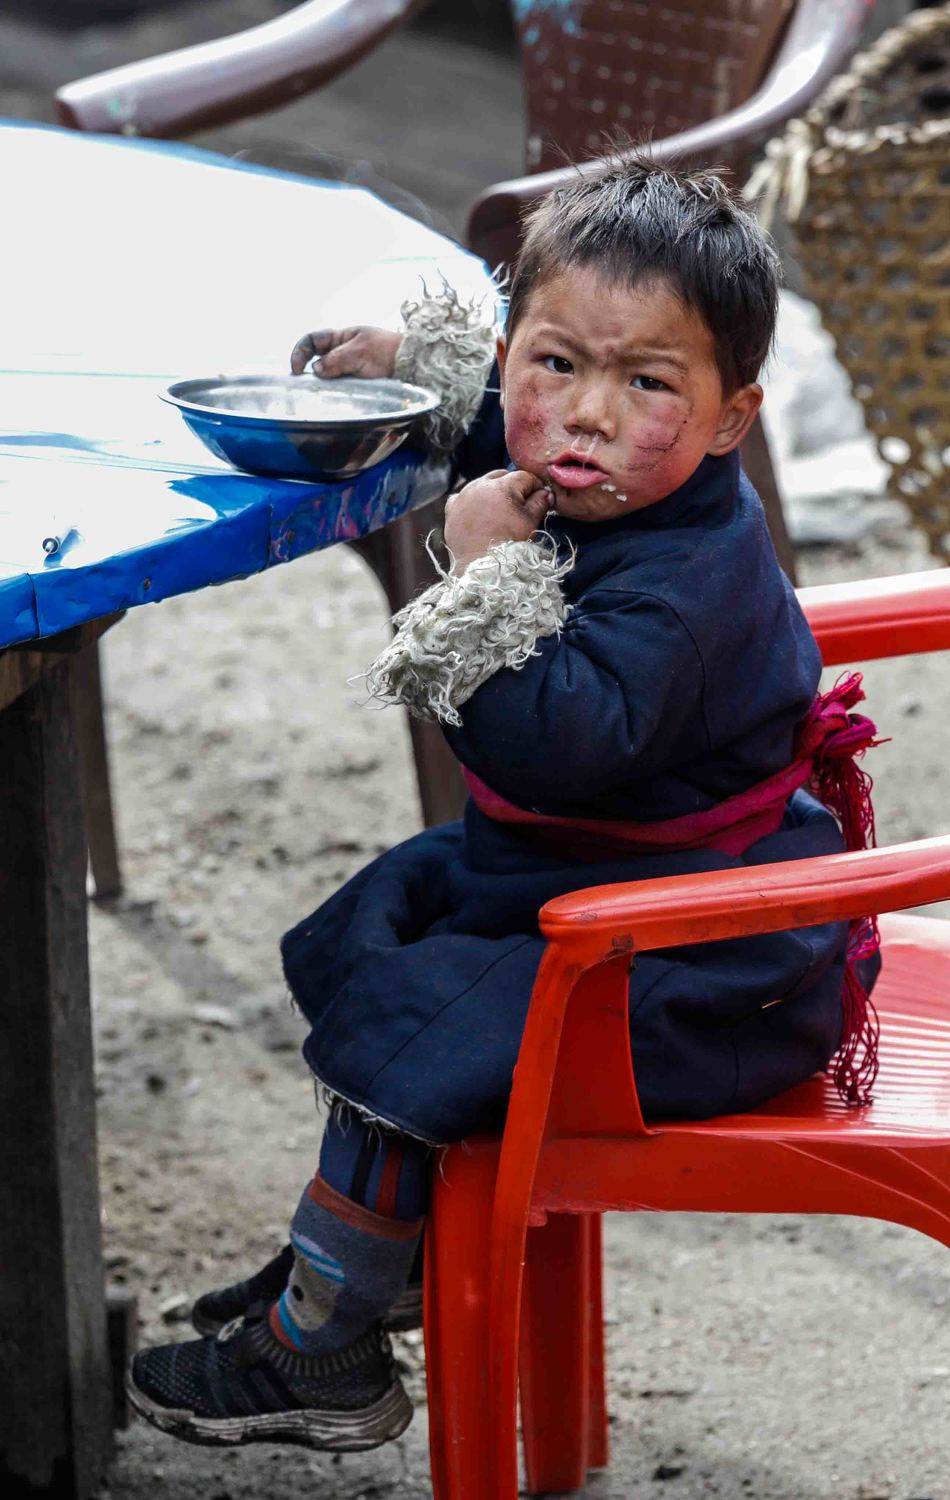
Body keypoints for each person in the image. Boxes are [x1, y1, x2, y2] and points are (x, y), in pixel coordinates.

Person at [127, 150, 881, 1452]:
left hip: (706, 969)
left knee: (417, 1013)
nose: (582, 416)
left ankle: (323, 1343)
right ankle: (371, 1259)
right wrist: (418, 376)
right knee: (385, 919)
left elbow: (543, 751)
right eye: (554, 362)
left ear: (729, 419)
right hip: (600, 894)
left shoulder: (682, 589)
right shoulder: (616, 472)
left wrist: (482, 579)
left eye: (646, 382)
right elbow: (516, 425)